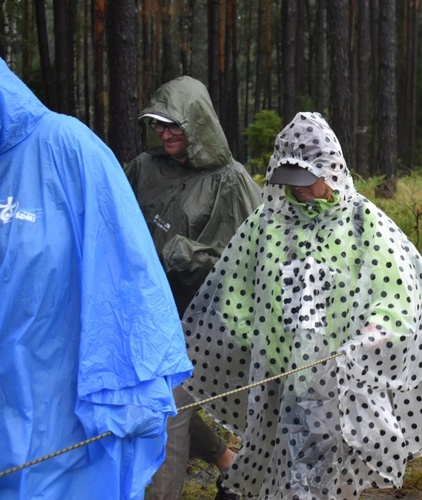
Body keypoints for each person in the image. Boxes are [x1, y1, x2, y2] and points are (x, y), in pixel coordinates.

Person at [179, 111, 422, 499]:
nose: (299, 190)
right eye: (290, 181)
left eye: (307, 180)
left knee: (332, 457)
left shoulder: (362, 221)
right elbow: (233, 289)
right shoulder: (265, 223)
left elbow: (397, 295)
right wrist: (256, 337)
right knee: (280, 450)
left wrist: (371, 335)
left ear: (331, 169)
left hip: (342, 378)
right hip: (276, 375)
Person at [0, 59, 192, 498]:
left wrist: (131, 387)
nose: (165, 135)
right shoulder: (144, 166)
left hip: (61, 412)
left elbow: (125, 272)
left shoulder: (68, 149)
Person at [124, 76, 262, 500]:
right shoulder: (144, 169)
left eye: (174, 126)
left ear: (197, 124)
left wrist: (192, 255)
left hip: (199, 319)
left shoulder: (231, 181)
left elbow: (254, 257)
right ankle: (225, 458)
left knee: (167, 407)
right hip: (142, 308)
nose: (164, 134)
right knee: (145, 399)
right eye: (158, 125)